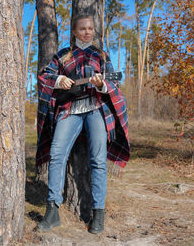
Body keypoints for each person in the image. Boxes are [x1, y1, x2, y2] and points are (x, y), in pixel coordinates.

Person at [36, 15, 130, 234]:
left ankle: (98, 214)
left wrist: (102, 84)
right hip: (69, 109)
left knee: (98, 160)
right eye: (83, 28)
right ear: (75, 31)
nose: (87, 32)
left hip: (96, 109)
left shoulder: (101, 55)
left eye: (90, 28)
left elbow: (114, 82)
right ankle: (52, 211)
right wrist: (59, 81)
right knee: (57, 154)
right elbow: (44, 77)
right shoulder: (62, 55)